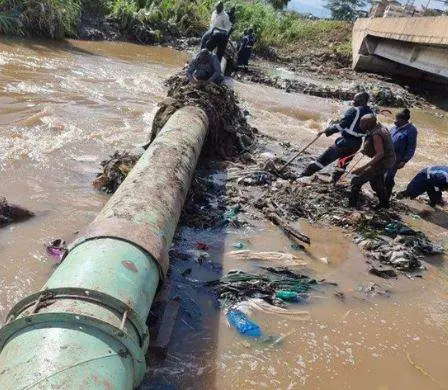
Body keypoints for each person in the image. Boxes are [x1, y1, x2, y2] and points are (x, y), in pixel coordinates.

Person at [299, 92, 374, 183]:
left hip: (345, 142)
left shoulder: (353, 110)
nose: (353, 101)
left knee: (322, 160)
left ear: (361, 101)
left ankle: (301, 177)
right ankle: (333, 182)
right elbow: (370, 132)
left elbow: (341, 126)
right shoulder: (372, 114)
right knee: (342, 165)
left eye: (355, 99)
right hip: (357, 144)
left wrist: (327, 130)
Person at [349, 114, 396, 209]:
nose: (360, 125)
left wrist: (362, 168)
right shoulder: (380, 126)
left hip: (383, 161)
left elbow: (380, 154)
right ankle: (384, 204)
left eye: (362, 123)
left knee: (357, 180)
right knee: (376, 183)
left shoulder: (376, 134)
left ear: (368, 124)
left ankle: (351, 206)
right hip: (389, 159)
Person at [384, 108, 418, 200]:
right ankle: (383, 193)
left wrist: (404, 160)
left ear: (403, 120)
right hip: (386, 155)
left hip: (396, 158)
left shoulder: (411, 130)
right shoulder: (395, 127)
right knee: (381, 174)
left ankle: (386, 198)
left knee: (388, 177)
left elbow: (411, 147)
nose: (394, 121)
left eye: (396, 119)